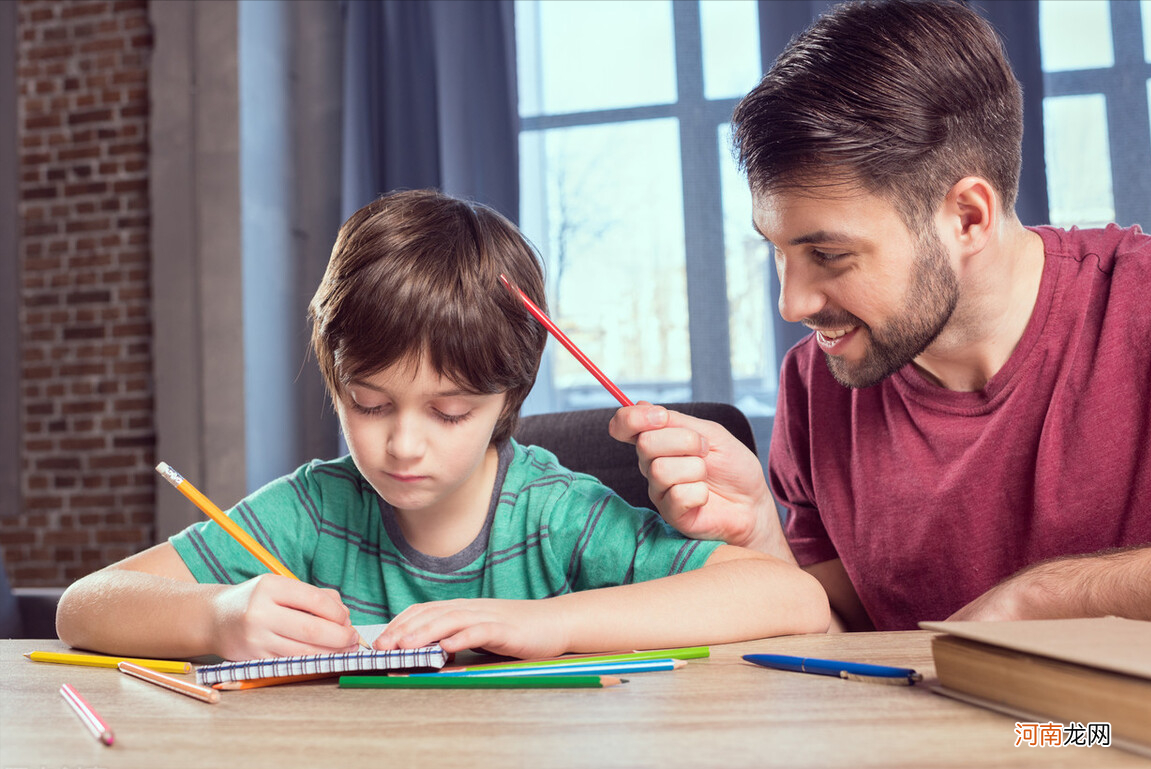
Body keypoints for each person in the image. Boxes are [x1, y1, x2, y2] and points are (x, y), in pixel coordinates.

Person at [56, 189, 828, 661]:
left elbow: (791, 602)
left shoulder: (553, 513)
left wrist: (549, 622)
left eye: (450, 410)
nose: (402, 443)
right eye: (369, 402)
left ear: (507, 396)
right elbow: (84, 603)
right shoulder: (316, 509)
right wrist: (217, 616)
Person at [609, 0, 1151, 632]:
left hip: (1100, 735)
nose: (792, 305)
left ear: (967, 217)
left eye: (829, 254)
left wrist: (1039, 598)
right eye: (779, 251)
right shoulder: (818, 383)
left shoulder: (1137, 307)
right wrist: (760, 534)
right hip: (919, 732)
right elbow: (851, 647)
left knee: (1058, 742)